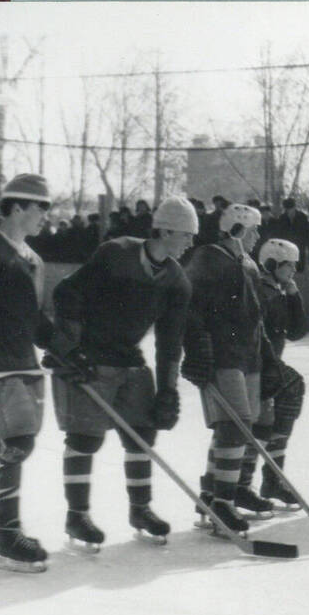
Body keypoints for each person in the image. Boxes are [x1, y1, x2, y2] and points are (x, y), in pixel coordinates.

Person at [50, 195, 196, 550]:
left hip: (129, 359)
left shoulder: (177, 281)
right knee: (86, 438)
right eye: (186, 235)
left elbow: (170, 342)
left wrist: (168, 389)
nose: (191, 243)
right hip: (91, 356)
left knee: (143, 434)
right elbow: (66, 294)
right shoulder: (116, 254)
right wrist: (69, 350)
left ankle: (140, 509)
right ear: (164, 230)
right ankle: (77, 514)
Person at [0, 174, 58, 572]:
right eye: (41, 208)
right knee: (18, 439)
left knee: (8, 441)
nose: (46, 217)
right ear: (17, 207)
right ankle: (8, 533)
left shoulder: (32, 258)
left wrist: (62, 347)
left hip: (23, 361)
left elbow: (34, 318)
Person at [182, 203, 272, 533]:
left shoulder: (247, 262)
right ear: (237, 230)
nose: (258, 236)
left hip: (248, 353)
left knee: (235, 426)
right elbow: (191, 310)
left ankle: (210, 492)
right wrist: (198, 350)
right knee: (235, 425)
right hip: (222, 354)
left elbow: (256, 313)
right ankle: (223, 502)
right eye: (254, 230)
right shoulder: (208, 258)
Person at [240, 238, 308, 509]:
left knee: (276, 415)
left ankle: (270, 478)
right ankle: (244, 482)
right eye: (288, 265)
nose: (293, 270)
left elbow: (297, 331)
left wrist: (294, 295)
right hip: (256, 363)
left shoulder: (277, 291)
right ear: (271, 264)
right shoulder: (262, 291)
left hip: (270, 362)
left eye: (294, 265)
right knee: (262, 422)